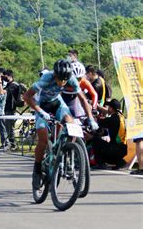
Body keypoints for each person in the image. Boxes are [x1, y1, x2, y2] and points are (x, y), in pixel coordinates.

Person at [23, 59, 99, 190]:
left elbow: (82, 99)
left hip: (57, 102)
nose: (63, 82)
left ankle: (67, 153)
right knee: (43, 137)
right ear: (55, 75)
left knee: (71, 124)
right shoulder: (46, 78)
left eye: (65, 80)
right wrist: (40, 112)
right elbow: (27, 97)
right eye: (60, 79)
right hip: (41, 105)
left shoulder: (71, 79)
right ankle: (37, 169)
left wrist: (91, 118)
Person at [85, 99, 127, 169]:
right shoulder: (121, 117)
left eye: (109, 107)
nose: (107, 108)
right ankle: (119, 162)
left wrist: (89, 111)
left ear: (111, 108)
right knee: (105, 142)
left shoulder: (112, 120)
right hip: (123, 150)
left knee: (94, 140)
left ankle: (100, 163)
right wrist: (98, 107)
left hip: (116, 151)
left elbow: (96, 122)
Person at [1, 69, 20, 150]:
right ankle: (12, 143)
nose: (3, 78)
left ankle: (13, 144)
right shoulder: (10, 85)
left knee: (9, 127)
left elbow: (1, 92)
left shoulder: (13, 85)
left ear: (9, 76)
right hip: (8, 108)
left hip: (11, 108)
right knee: (8, 126)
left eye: (4, 76)